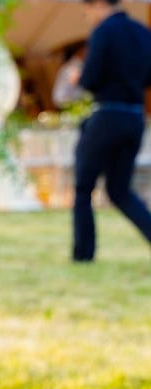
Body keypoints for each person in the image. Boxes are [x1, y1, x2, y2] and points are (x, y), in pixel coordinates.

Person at [72, 0, 151, 262]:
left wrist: (78, 77)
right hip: (135, 116)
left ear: (98, 5)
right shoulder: (142, 31)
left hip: (107, 115)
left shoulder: (103, 31)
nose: (87, 16)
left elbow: (90, 78)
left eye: (86, 10)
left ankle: (83, 254)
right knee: (120, 190)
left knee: (83, 186)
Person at [52, 42, 87, 110]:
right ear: (79, 51)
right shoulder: (72, 68)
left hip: (71, 104)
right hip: (71, 105)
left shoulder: (74, 66)